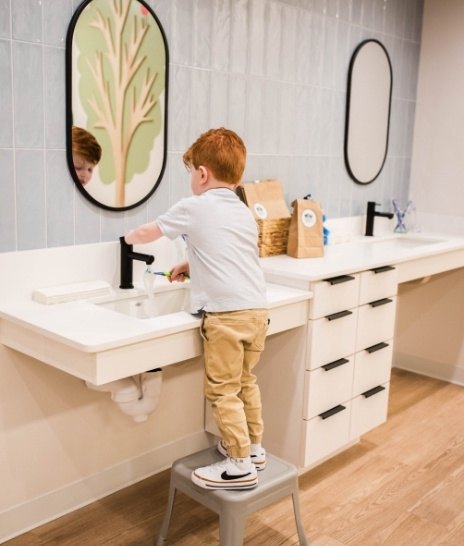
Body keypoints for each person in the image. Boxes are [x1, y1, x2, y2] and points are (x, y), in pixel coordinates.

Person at [124, 128, 268, 490]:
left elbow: (147, 233)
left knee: (222, 391)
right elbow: (227, 252)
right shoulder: (243, 211)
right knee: (245, 383)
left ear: (202, 173)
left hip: (226, 317)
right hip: (256, 313)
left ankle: (237, 465)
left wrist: (126, 238)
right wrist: (191, 264)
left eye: (191, 172)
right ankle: (253, 449)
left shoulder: (194, 206)